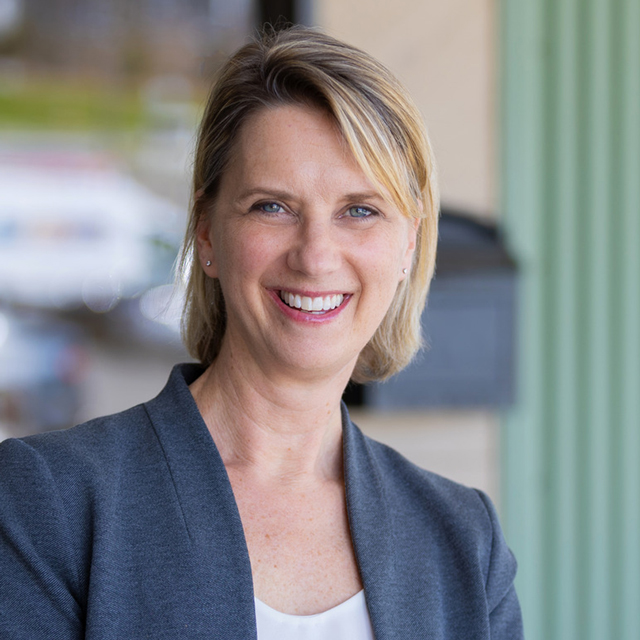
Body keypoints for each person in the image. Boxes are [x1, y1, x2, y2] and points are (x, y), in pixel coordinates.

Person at [0, 27, 523, 639]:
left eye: (361, 210)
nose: (316, 256)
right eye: (272, 206)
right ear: (206, 234)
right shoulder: (47, 502)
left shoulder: (464, 539)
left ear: (408, 243)